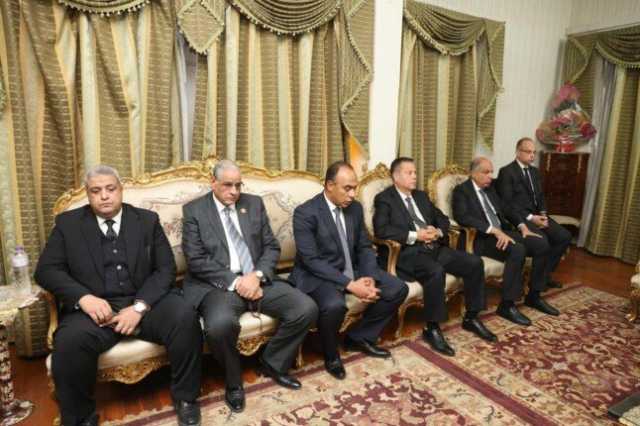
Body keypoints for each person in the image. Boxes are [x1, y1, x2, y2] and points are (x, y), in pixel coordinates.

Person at [35, 165, 202, 426]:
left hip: (143, 301)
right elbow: (46, 271)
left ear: (120, 190)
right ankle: (80, 419)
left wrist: (139, 307)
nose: (104, 196)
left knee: (184, 318)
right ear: (88, 194)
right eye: (96, 191)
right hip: (95, 310)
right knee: (69, 342)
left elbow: (165, 269)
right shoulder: (68, 224)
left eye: (110, 189)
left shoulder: (146, 220)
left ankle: (186, 398)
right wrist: (84, 298)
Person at [181, 160, 318, 413]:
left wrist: (256, 275)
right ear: (213, 183)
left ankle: (273, 362)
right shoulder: (194, 211)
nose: (234, 191)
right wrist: (237, 282)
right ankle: (234, 382)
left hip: (256, 278)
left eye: (238, 185)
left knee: (306, 308)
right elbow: (196, 259)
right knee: (219, 326)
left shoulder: (253, 204)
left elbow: (271, 247)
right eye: (227, 185)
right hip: (218, 286)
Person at [290, 161, 408, 380]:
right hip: (318, 274)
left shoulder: (354, 208)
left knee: (398, 288)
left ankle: (359, 337)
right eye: (347, 188)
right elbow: (311, 260)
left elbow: (364, 246)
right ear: (330, 185)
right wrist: (350, 285)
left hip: (351, 268)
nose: (353, 194)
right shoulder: (305, 213)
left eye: (355, 188)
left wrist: (368, 276)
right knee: (334, 305)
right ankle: (331, 355)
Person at [373, 157, 495, 356]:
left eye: (415, 172)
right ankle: (432, 328)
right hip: (409, 253)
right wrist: (416, 235)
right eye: (409, 173)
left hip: (435, 248)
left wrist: (437, 231)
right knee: (435, 271)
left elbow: (443, 219)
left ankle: (472, 317)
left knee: (474, 262)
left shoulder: (421, 196)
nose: (414, 176)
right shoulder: (385, 199)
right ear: (395, 176)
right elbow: (382, 230)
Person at [452, 157, 560, 326]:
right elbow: (462, 217)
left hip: (503, 232)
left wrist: (522, 226)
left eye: (491, 172)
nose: (490, 176)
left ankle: (534, 295)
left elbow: (507, 208)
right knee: (517, 249)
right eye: (486, 172)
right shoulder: (461, 191)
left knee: (541, 244)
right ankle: (507, 305)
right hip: (482, 238)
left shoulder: (490, 188)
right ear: (473, 173)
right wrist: (493, 230)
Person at [496, 137, 572, 289]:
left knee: (564, 236)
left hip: (538, 216)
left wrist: (543, 214)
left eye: (534, 152)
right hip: (521, 218)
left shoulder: (535, 172)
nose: (532, 155)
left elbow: (541, 197)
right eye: (528, 152)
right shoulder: (507, 172)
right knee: (543, 241)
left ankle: (544, 276)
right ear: (518, 152)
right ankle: (537, 283)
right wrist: (531, 218)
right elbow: (507, 204)